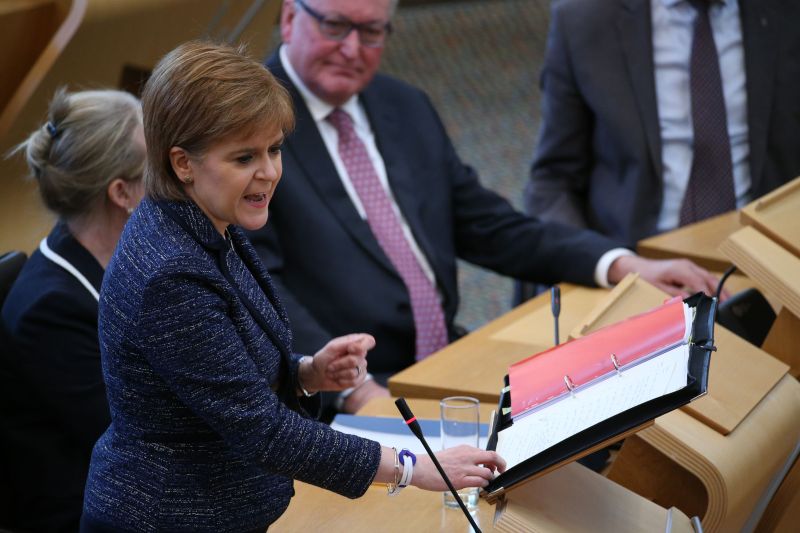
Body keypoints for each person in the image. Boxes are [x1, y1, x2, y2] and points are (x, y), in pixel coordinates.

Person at [80, 41, 504, 532]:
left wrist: (306, 373)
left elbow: (224, 376)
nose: (270, 172)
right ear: (183, 163)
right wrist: (414, 466)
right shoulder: (171, 273)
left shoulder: (207, 221)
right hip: (170, 517)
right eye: (244, 157)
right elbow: (263, 431)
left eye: (275, 149)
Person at [246, 0, 722, 416]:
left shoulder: (402, 105)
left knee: (609, 411)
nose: (352, 48)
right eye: (334, 26)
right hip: (343, 387)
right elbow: (258, 286)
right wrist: (351, 389)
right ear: (289, 18)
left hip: (446, 357)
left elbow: (490, 226)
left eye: (371, 32)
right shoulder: (249, 130)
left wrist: (621, 263)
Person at [526, 0, 800, 247]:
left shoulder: (786, 13)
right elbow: (553, 181)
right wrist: (601, 263)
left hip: (767, 255)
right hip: (635, 267)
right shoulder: (585, 19)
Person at [0, 88, 145, 532]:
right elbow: (136, 445)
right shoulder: (51, 310)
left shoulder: (121, 261)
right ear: (122, 192)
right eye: (157, 164)